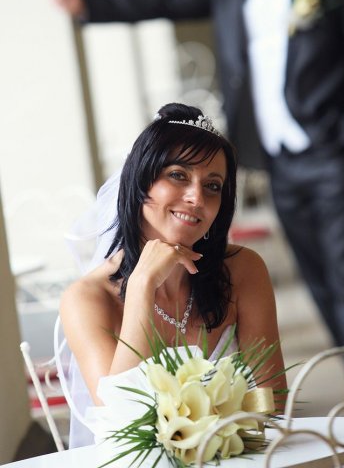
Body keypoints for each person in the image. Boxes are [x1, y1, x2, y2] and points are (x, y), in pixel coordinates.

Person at [53, 0, 344, 417]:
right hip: (278, 158)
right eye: (178, 177)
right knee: (321, 280)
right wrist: (88, 8)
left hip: (335, 150)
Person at [60, 102, 286, 447]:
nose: (197, 197)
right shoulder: (86, 299)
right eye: (178, 175)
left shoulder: (244, 270)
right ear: (141, 181)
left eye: (213, 186)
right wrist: (141, 286)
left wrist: (214, 439)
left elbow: (274, 405)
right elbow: (120, 424)